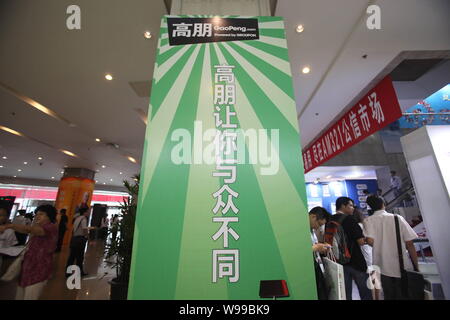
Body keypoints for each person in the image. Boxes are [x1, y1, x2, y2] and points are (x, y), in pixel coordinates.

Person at [364, 195, 419, 300]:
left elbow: (370, 241)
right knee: (405, 294)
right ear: (383, 204)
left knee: (388, 295)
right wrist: (416, 265)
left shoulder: (368, 221)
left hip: (381, 266)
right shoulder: (397, 218)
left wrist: (381, 243)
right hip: (401, 265)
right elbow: (409, 243)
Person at [0, 205, 58, 300]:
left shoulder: (50, 228)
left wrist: (10, 226)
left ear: (49, 216)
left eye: (41, 214)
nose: (37, 216)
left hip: (39, 271)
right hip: (27, 269)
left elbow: (30, 230)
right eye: (37, 214)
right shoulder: (39, 227)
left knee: (30, 296)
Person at [327, 197, 372, 300]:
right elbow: (360, 241)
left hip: (339, 262)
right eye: (351, 206)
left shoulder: (330, 220)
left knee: (345, 293)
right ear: (343, 206)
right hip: (355, 261)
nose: (353, 208)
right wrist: (368, 240)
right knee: (365, 291)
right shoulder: (349, 219)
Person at [309, 207, 331, 300]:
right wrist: (316, 247)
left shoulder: (311, 230)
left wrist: (320, 246)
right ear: (313, 217)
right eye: (319, 224)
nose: (318, 227)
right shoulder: (300, 229)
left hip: (315, 266)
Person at [66, 207, 90, 276]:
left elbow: (74, 229)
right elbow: (84, 229)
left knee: (72, 256)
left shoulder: (77, 218)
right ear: (85, 212)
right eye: (88, 211)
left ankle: (68, 272)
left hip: (74, 238)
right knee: (80, 257)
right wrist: (88, 238)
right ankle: (80, 272)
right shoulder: (83, 219)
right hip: (80, 239)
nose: (88, 213)